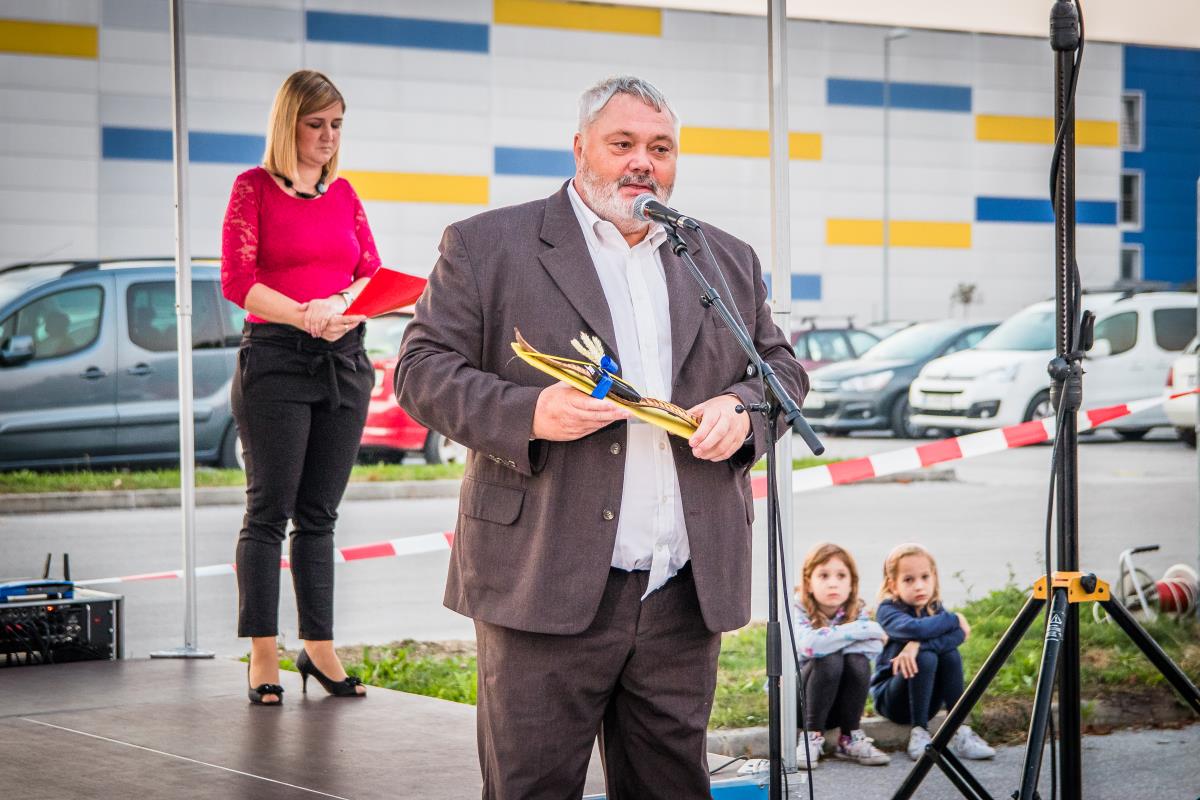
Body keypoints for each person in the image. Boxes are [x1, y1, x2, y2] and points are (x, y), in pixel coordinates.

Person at [395, 75, 807, 799]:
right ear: (581, 148)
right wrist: (530, 413)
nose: (643, 162)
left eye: (661, 148)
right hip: (542, 582)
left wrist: (744, 410)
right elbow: (421, 370)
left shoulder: (722, 257)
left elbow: (781, 370)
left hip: (682, 590)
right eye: (623, 144)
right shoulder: (487, 245)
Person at [220, 69, 380, 705]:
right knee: (268, 513)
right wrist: (303, 313)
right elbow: (238, 280)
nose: (329, 136)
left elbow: (370, 273)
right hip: (276, 363)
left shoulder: (344, 194)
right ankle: (263, 653)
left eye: (337, 124)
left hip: (344, 361)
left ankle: (318, 647)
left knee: (320, 516)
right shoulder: (252, 188)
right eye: (316, 124)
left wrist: (341, 306)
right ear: (288, 125)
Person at [870, 543, 996, 761]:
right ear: (893, 584)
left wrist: (917, 645)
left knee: (949, 654)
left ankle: (960, 729)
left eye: (925, 577)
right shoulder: (888, 610)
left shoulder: (935, 608)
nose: (919, 586)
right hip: (892, 700)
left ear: (934, 577)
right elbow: (916, 629)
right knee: (926, 657)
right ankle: (919, 732)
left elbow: (958, 635)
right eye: (908, 580)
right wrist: (955, 618)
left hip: (928, 702)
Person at [793, 543, 889, 769]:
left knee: (857, 659)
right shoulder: (797, 608)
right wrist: (857, 633)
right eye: (823, 575)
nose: (833, 583)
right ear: (808, 582)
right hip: (798, 705)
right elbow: (809, 645)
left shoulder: (856, 610)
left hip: (839, 707)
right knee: (828, 658)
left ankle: (849, 737)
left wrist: (829, 639)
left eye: (841, 576)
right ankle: (810, 737)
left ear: (852, 583)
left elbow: (875, 645)